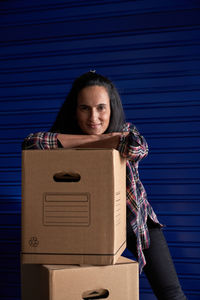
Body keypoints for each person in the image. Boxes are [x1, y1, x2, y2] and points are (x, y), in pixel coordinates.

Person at [22, 71, 187, 300]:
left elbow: (138, 148)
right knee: (85, 289)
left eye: (101, 107)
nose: (93, 117)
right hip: (87, 225)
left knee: (171, 293)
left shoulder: (127, 131)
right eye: (85, 108)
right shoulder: (62, 137)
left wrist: (99, 140)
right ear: (75, 109)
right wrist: (97, 140)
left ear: (111, 108)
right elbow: (31, 144)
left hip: (135, 221)